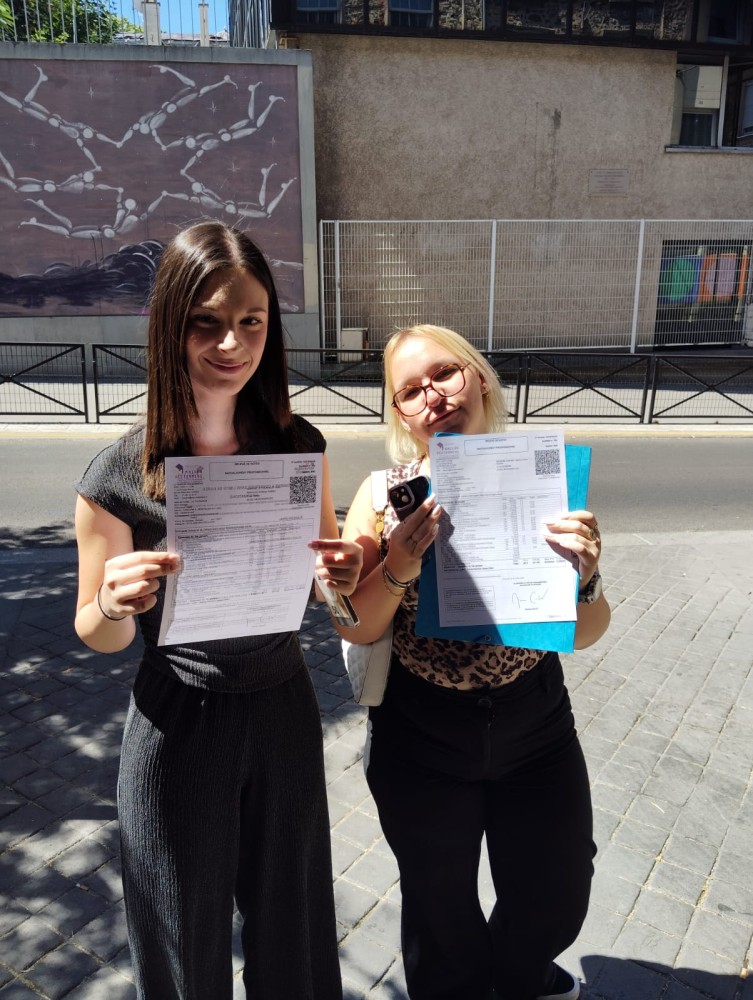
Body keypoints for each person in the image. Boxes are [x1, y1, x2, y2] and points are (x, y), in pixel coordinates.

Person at [73, 220, 362, 1000]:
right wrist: (113, 600)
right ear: (171, 325)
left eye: (251, 321)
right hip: (178, 719)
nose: (232, 343)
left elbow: (326, 585)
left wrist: (339, 571)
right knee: (179, 939)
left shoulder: (297, 445)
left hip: (282, 708)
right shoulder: (118, 473)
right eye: (207, 321)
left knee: (294, 928)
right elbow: (95, 633)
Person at [337, 324, 611, 1000]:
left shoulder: (542, 477)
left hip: (534, 721)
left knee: (558, 884)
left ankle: (520, 975)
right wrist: (398, 564)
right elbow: (355, 623)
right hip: (419, 730)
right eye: (409, 390)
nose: (431, 396)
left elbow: (585, 633)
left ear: (479, 378)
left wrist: (585, 578)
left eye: (443, 374)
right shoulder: (382, 495)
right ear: (400, 415)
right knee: (438, 903)